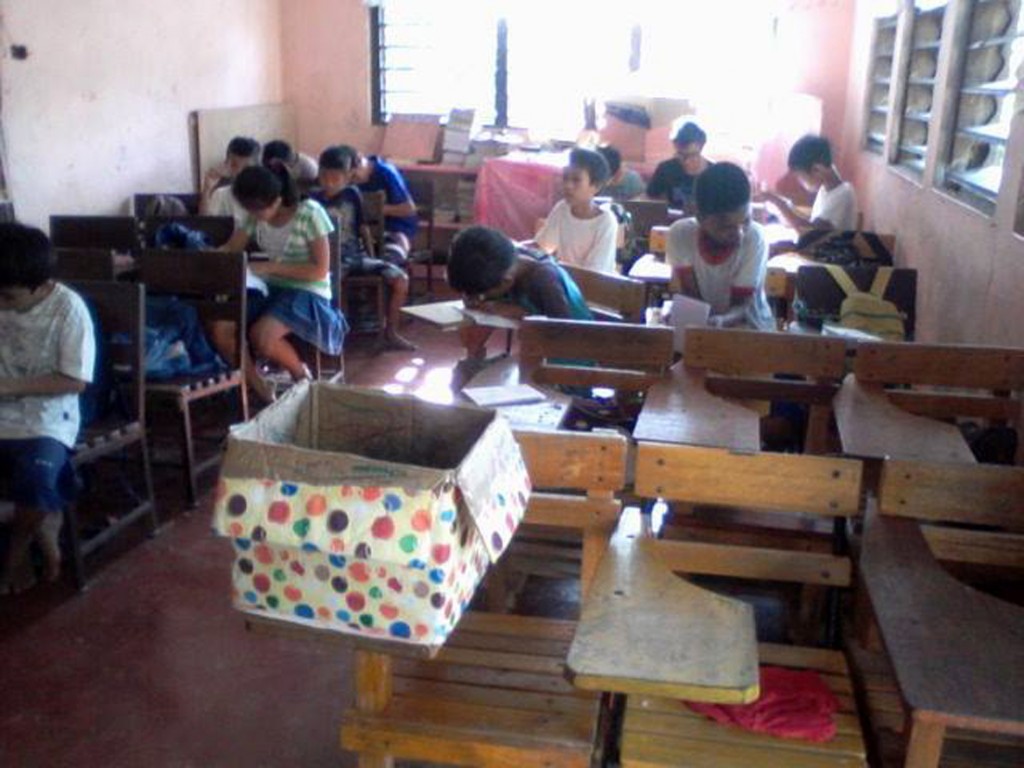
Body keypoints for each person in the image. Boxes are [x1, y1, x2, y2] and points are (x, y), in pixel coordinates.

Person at [0, 223, 96, 592]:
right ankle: (45, 527)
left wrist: (9, 386)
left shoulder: (68, 309)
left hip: (49, 414)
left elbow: (75, 380)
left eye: (8, 298)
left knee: (38, 475)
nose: (2, 305)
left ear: (40, 286)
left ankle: (17, 552)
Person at [220, 163, 347, 401]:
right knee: (221, 327)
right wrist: (203, 255)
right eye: (248, 208)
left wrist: (268, 267)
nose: (254, 214)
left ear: (277, 200)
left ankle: (303, 379)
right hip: (270, 289)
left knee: (262, 337)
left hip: (308, 293)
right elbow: (231, 249)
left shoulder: (309, 212)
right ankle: (260, 387)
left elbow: (320, 271)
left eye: (258, 209)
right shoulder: (254, 215)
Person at [447, 225, 592, 385]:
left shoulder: (545, 280)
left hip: (569, 367)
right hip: (535, 355)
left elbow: (564, 332)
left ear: (506, 281)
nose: (478, 300)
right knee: (463, 376)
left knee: (476, 384)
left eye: (481, 295)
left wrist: (519, 313)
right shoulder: (503, 260)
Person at [310, 145, 415, 351]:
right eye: (324, 178)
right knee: (330, 287)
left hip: (356, 257)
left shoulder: (352, 195)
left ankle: (391, 333)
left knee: (400, 279)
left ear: (348, 176)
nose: (329, 183)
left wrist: (372, 256)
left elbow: (363, 228)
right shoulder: (313, 201)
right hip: (330, 261)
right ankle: (332, 337)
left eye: (335, 178)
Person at [666, 162, 774, 331]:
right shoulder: (680, 234)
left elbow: (743, 306)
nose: (739, 234)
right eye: (726, 227)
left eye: (746, 221)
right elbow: (691, 296)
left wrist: (721, 321)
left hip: (752, 331)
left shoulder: (755, 238)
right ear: (700, 217)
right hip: (705, 327)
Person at [534, 148, 618, 273]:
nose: (567, 186)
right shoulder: (562, 208)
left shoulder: (606, 222)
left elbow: (594, 273)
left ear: (596, 186)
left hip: (595, 287)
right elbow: (544, 246)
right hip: (566, 281)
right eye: (565, 178)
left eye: (576, 180)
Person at [760, 134, 859, 233]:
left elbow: (811, 233)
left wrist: (778, 202)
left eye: (801, 176)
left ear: (817, 170)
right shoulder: (826, 187)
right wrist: (783, 209)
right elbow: (813, 222)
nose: (800, 181)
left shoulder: (843, 195)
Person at [347, 150, 419, 265]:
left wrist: (377, 210)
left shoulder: (386, 173)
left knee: (388, 265)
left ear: (362, 163)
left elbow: (409, 209)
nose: (353, 182)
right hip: (364, 234)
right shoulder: (349, 182)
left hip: (394, 230)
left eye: (354, 176)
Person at [646, 122, 711, 213]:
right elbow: (651, 197)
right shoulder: (665, 169)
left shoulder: (713, 172)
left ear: (701, 146)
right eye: (682, 155)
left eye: (692, 155)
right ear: (676, 147)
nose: (687, 161)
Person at [199, 136, 261, 226]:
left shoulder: (264, 195)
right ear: (226, 164)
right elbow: (204, 225)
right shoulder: (221, 194)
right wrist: (207, 189)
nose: (239, 172)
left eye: (247, 167)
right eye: (234, 165)